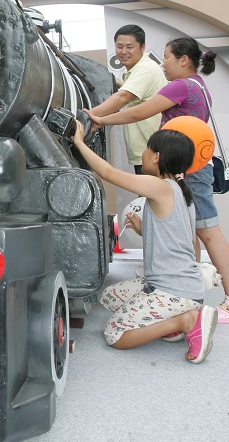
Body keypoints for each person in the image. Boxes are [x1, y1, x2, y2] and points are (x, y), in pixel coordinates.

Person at [86, 36, 229, 318]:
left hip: (190, 169)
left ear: (183, 60)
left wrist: (98, 119)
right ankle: (187, 297)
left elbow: (138, 112)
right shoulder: (200, 86)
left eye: (166, 57)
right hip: (194, 166)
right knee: (193, 233)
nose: (163, 63)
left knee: (209, 233)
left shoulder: (181, 85)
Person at [72, 121, 217, 361]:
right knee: (109, 298)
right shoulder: (182, 191)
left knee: (114, 334)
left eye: (148, 149)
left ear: (156, 157)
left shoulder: (159, 186)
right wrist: (143, 229)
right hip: (180, 286)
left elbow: (108, 173)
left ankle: (186, 320)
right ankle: (177, 316)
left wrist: (78, 142)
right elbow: (185, 241)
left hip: (172, 289)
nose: (144, 153)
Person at [88, 25, 166, 174]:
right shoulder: (135, 70)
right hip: (148, 153)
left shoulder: (145, 69)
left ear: (142, 47)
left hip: (154, 155)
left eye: (129, 47)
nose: (123, 52)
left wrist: (88, 115)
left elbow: (123, 97)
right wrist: (120, 83)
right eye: (119, 47)